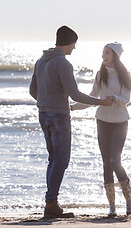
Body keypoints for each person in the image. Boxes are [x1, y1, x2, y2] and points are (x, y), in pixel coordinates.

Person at [29, 25, 113, 218]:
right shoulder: (63, 63)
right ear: (69, 43)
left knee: (53, 159)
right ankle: (51, 204)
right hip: (58, 116)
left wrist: (46, 102)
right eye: (74, 44)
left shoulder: (41, 61)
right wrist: (101, 102)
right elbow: (74, 93)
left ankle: (51, 203)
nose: (74, 48)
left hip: (44, 114)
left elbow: (33, 91)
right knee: (61, 160)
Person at [70, 42, 131, 216]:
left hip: (120, 122)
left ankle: (129, 201)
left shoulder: (125, 75)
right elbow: (91, 99)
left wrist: (114, 98)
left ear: (115, 54)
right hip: (102, 122)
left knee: (115, 161)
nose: (103, 56)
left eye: (106, 53)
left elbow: (126, 99)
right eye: (102, 52)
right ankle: (112, 207)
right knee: (107, 164)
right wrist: (72, 107)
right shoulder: (100, 75)